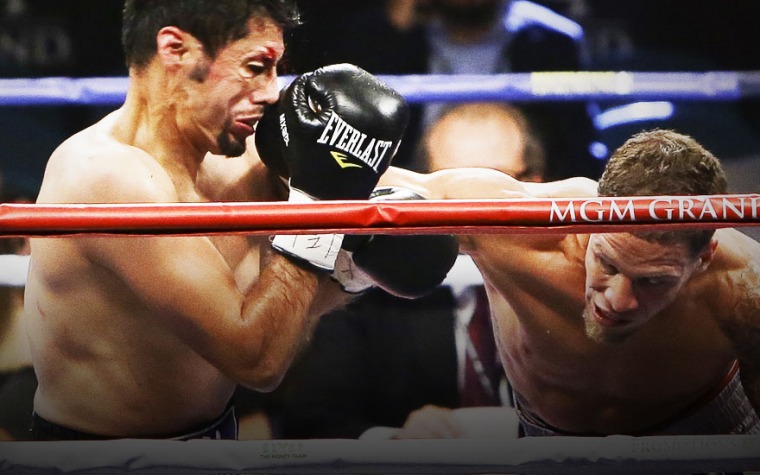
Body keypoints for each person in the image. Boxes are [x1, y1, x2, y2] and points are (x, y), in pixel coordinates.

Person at [24, 0, 456, 440]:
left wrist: (351, 268)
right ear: (176, 50)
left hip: (215, 438)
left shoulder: (242, 157)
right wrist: (319, 214)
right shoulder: (105, 177)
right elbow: (257, 361)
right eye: (256, 66)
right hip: (100, 460)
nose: (273, 92)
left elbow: (431, 190)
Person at [377, 128, 760, 436]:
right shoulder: (520, 228)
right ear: (590, 221)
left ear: (703, 257)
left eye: (653, 281)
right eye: (608, 264)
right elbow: (370, 189)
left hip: (708, 432)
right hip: (545, 439)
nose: (618, 300)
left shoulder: (744, 286)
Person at [277, 102, 544, 440]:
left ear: (535, 186)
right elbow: (313, 419)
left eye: (495, 182)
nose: (475, 204)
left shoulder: (573, 278)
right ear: (424, 192)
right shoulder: (373, 281)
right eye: (454, 187)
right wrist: (395, 441)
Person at [288, 0, 603, 180]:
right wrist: (392, 27)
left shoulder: (550, 41)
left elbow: (578, 149)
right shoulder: (397, 36)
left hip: (521, 187)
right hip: (411, 190)